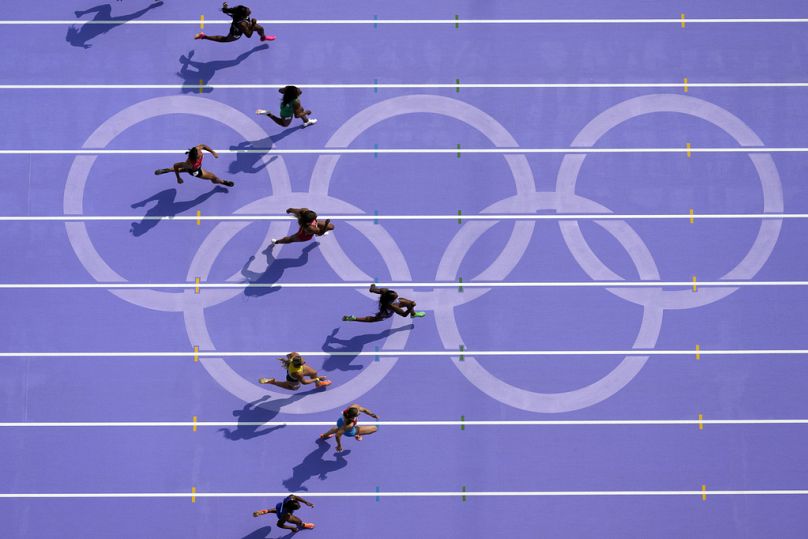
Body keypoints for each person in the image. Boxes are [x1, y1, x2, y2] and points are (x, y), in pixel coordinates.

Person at [154, 145, 234, 187]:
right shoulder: (190, 164)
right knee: (213, 177)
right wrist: (178, 178)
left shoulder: (196, 149)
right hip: (195, 171)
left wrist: (213, 152)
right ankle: (223, 182)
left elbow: (203, 146)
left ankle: (166, 170)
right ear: (195, 158)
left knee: (181, 169)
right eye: (199, 155)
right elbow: (176, 165)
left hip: (192, 168)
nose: (201, 153)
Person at [195, 3, 275, 42]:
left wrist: (225, 7)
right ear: (243, 15)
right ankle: (204, 36)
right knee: (225, 39)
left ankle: (263, 37)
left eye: (248, 9)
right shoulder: (241, 23)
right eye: (248, 11)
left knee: (260, 28)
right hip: (236, 32)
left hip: (247, 24)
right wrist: (253, 24)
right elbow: (248, 35)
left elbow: (225, 10)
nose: (250, 10)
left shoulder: (237, 12)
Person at [343, 284, 425, 322]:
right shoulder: (393, 306)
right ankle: (353, 318)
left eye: (395, 294)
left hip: (388, 302)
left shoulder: (385, 292)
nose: (397, 294)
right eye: (395, 296)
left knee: (408, 302)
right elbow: (403, 315)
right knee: (373, 319)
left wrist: (373, 287)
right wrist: (411, 307)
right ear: (391, 299)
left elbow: (373, 290)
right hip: (386, 312)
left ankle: (413, 314)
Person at [259, 352, 331, 389]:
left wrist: (289, 360)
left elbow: (289, 354)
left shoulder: (294, 356)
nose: (304, 361)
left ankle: (318, 384)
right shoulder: (298, 374)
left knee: (314, 372)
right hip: (292, 379)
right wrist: (317, 378)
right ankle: (273, 382)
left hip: (294, 367)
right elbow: (304, 382)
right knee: (292, 388)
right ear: (300, 365)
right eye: (303, 362)